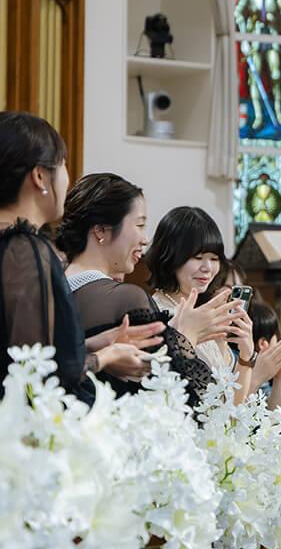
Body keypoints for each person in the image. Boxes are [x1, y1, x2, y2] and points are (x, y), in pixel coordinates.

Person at [0, 112, 159, 403]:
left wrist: (89, 346)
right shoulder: (23, 248)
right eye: (63, 164)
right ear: (40, 176)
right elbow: (33, 375)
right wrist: (104, 357)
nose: (67, 178)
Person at [58, 173, 232, 404]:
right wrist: (186, 336)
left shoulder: (53, 287)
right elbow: (177, 402)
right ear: (101, 230)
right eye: (139, 225)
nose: (145, 239)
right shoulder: (124, 298)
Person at [145, 206, 281, 404]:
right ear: (171, 256)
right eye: (198, 258)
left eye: (214, 259)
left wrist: (246, 354)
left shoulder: (207, 313)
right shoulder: (154, 312)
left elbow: (234, 405)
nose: (207, 268)